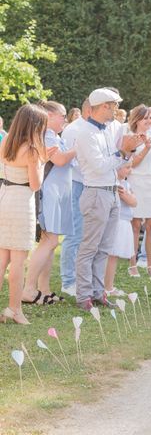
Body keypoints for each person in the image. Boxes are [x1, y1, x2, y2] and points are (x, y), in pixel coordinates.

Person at [74, 88, 143, 311]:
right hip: (95, 192)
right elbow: (100, 165)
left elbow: (115, 163)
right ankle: (84, 295)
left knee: (104, 248)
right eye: (113, 105)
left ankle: (97, 293)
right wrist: (123, 152)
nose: (116, 109)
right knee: (89, 247)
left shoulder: (106, 130)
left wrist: (130, 150)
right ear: (103, 106)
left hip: (111, 191)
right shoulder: (85, 132)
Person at [0, 104, 51, 324]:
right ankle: (15, 309)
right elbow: (35, 184)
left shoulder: (5, 142)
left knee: (2, 259)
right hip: (21, 202)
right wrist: (41, 160)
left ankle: (13, 309)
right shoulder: (30, 150)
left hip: (4, 196)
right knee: (18, 261)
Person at [23, 101, 76, 306]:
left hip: (60, 193)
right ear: (49, 115)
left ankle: (44, 289)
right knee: (49, 241)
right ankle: (28, 288)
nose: (65, 118)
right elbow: (61, 160)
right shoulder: (44, 135)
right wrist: (76, 150)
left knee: (51, 243)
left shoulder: (54, 136)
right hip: (49, 193)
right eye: (62, 115)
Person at [127, 104, 151, 281]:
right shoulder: (131, 138)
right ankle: (132, 264)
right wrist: (146, 149)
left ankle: (150, 264)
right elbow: (132, 164)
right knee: (135, 225)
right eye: (146, 118)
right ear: (137, 120)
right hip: (136, 181)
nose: (149, 121)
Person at [59, 98, 91, 297]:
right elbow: (68, 161)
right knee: (74, 234)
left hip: (88, 184)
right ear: (90, 109)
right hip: (75, 183)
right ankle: (68, 280)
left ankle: (78, 277)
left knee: (84, 234)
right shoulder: (73, 129)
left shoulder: (93, 128)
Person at [105, 163, 137, 297]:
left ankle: (108, 284)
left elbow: (134, 202)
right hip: (117, 222)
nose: (131, 170)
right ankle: (107, 287)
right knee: (111, 255)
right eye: (127, 167)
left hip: (124, 221)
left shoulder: (125, 184)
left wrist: (127, 196)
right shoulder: (116, 185)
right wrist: (126, 196)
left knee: (114, 256)